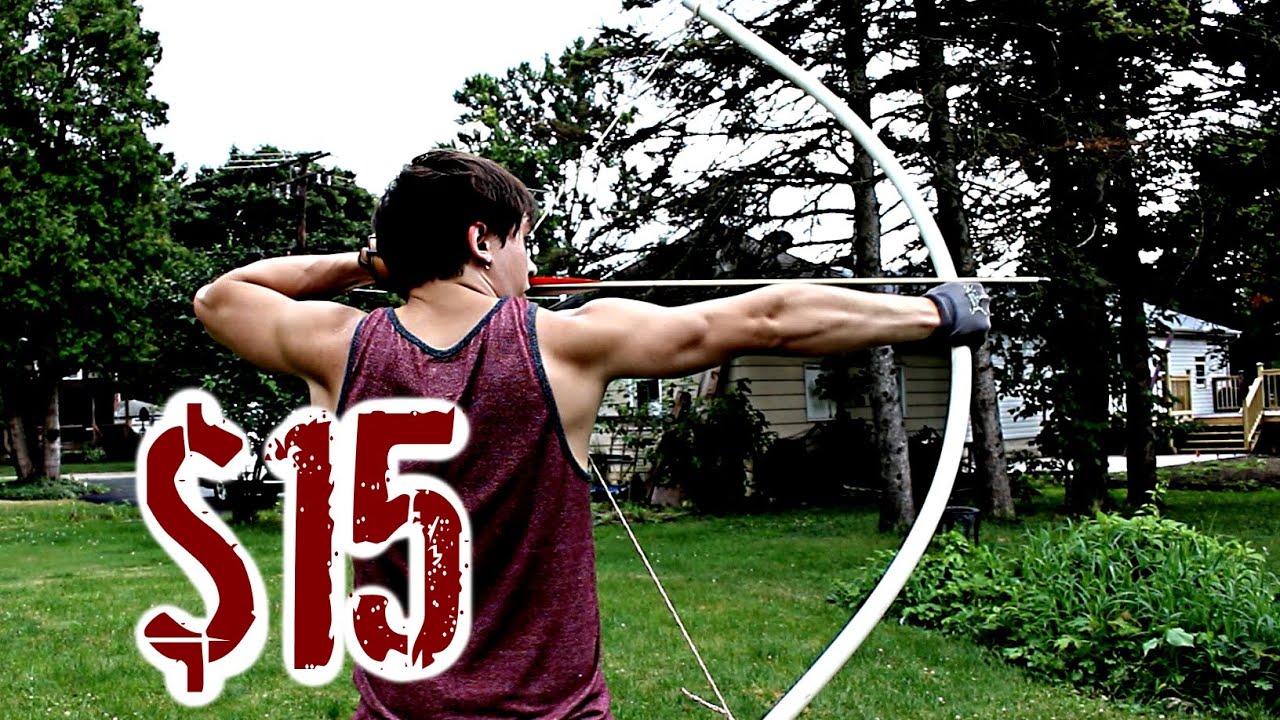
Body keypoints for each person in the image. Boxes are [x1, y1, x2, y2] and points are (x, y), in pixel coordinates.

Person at [192, 148, 991, 719]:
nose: (529, 262)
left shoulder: (337, 347)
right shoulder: (565, 343)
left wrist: (373, 262)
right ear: (481, 241)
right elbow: (768, 317)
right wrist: (938, 313)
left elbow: (221, 297)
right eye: (522, 240)